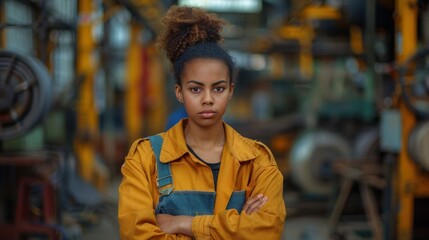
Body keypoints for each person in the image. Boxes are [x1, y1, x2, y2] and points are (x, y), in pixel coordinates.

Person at [118, 5, 286, 239]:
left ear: (230, 91)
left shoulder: (257, 162)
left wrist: (184, 223)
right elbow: (136, 234)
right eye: (196, 89)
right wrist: (238, 227)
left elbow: (268, 230)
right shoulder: (145, 160)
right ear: (179, 93)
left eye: (218, 88)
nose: (208, 100)